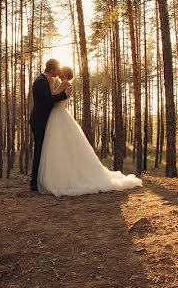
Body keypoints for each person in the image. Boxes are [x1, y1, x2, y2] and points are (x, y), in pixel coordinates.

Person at [31, 63, 143, 196]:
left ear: (64, 74)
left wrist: (60, 92)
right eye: (58, 70)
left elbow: (52, 99)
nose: (58, 73)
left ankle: (45, 180)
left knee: (56, 148)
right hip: (55, 118)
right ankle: (44, 179)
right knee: (58, 148)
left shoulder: (63, 84)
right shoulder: (52, 82)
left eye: (61, 71)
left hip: (57, 117)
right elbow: (50, 98)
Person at [28, 59, 71, 192]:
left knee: (43, 150)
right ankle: (34, 183)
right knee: (39, 150)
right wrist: (64, 95)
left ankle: (38, 181)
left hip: (45, 120)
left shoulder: (47, 80)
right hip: (39, 121)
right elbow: (48, 100)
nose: (58, 72)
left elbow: (49, 99)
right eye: (57, 70)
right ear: (51, 70)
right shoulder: (41, 81)